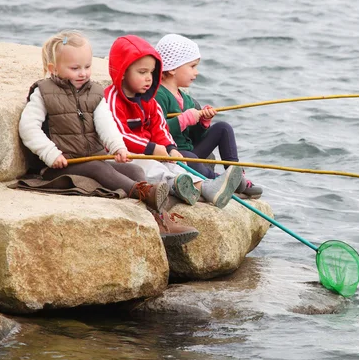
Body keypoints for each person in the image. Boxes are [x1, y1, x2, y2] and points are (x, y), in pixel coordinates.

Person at [18, 30, 198, 244]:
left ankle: (160, 218)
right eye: (74, 68)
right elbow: (28, 128)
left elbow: (106, 125)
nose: (83, 73)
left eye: (87, 67)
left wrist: (118, 148)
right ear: (53, 69)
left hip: (92, 155)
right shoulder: (43, 92)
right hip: (62, 162)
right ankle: (147, 194)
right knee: (99, 168)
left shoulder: (93, 92)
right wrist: (50, 154)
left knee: (133, 169)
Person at [104, 34, 242, 209]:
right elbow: (118, 135)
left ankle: (206, 188)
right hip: (125, 156)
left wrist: (170, 148)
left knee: (176, 165)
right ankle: (184, 187)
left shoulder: (149, 101)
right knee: (155, 170)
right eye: (142, 72)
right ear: (122, 73)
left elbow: (159, 128)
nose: (149, 78)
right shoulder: (111, 100)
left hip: (152, 153)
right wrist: (152, 148)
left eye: (151, 72)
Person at [154, 34, 262, 199]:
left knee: (223, 128)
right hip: (172, 155)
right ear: (173, 67)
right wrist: (183, 120)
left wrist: (203, 123)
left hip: (189, 151)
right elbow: (155, 129)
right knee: (188, 156)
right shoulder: (158, 95)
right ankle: (218, 181)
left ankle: (235, 174)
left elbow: (193, 137)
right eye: (192, 66)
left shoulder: (187, 99)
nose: (196, 72)